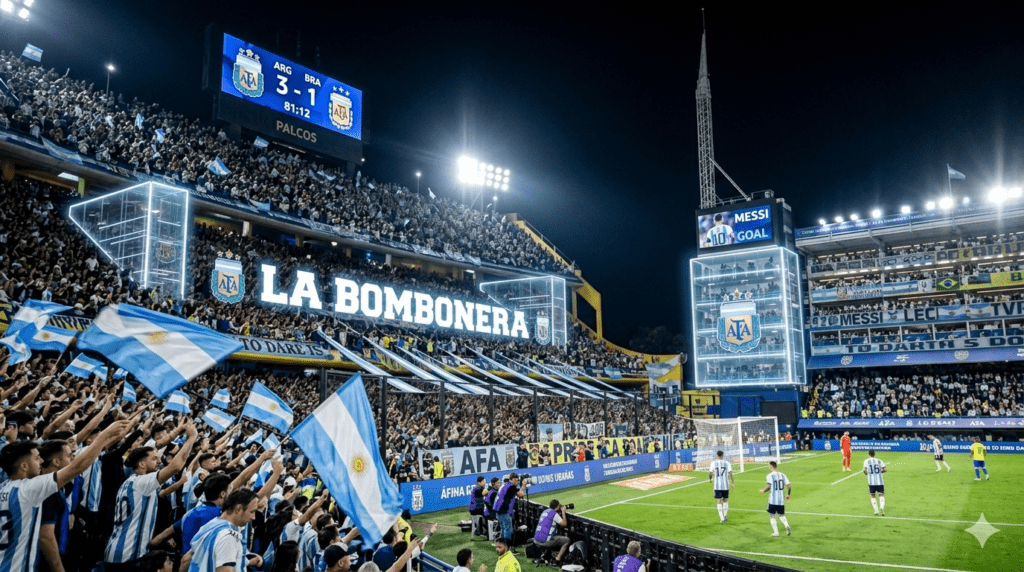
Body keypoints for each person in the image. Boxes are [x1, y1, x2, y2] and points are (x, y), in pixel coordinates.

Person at [0, 420, 129, 572]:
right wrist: (104, 435)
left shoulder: (3, 488)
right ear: (24, 466)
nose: (41, 461)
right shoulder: (30, 488)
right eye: (36, 458)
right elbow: (77, 466)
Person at [105, 419, 199, 571]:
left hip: (120, 552)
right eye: (154, 459)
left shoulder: (132, 482)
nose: (158, 462)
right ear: (141, 464)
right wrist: (192, 438)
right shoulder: (141, 483)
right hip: (126, 556)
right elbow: (175, 466)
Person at [181, 488, 264, 572]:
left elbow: (185, 560)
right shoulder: (229, 537)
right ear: (238, 509)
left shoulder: (210, 525)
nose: (253, 517)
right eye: (252, 512)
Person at [759, 460, 791, 537]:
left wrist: (763, 490)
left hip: (773, 500)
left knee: (772, 516)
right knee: (781, 515)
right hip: (781, 500)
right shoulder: (783, 475)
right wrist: (788, 495)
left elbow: (769, 486)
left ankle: (776, 532)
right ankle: (786, 525)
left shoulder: (769, 476)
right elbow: (789, 486)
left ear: (771, 467)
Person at [532, 500, 569, 564]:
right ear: (557, 507)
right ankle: (558, 558)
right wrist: (563, 512)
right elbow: (564, 524)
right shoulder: (554, 514)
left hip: (535, 539)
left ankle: (546, 554)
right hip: (544, 541)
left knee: (551, 535)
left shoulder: (545, 511)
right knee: (567, 540)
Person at [493, 474, 523, 547]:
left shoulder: (505, 485)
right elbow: (520, 494)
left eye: (517, 480)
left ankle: (499, 545)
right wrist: (523, 485)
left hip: (498, 510)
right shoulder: (511, 486)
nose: (516, 482)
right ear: (511, 479)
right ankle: (506, 547)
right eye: (515, 480)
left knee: (503, 529)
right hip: (503, 510)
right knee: (508, 529)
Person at [708, 450, 734, 523]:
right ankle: (725, 516)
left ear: (717, 455)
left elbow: (710, 473)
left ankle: (722, 518)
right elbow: (731, 473)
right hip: (725, 485)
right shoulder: (727, 463)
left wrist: (710, 479)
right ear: (722, 455)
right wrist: (732, 483)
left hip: (717, 486)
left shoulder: (713, 463)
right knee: (725, 500)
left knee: (718, 501)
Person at [862, 449, 887, 516]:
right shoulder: (879, 461)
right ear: (874, 454)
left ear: (869, 454)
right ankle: (881, 507)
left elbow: (864, 470)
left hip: (871, 482)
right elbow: (884, 469)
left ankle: (876, 510)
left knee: (872, 495)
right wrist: (880, 471)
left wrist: (866, 473)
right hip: (880, 481)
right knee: (881, 494)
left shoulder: (866, 461)